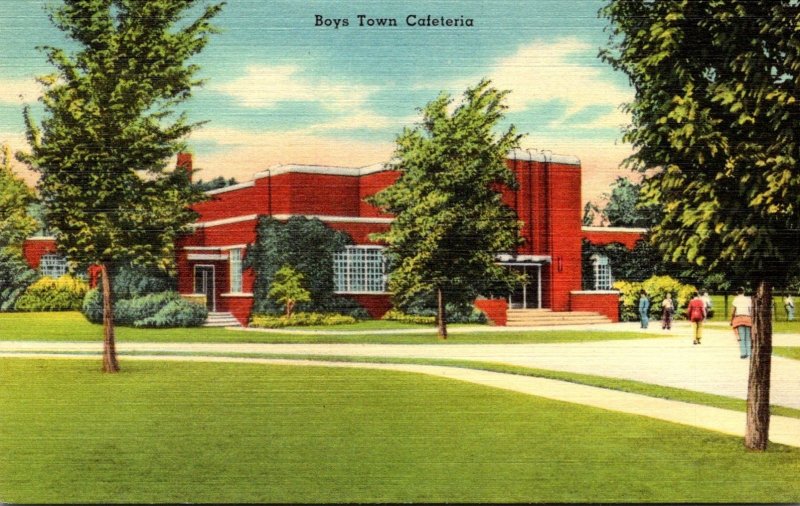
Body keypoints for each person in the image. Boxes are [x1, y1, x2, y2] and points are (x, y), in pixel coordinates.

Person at [730, 287, 753, 359]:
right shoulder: (748, 299)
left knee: (741, 337)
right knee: (748, 337)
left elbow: (733, 311)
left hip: (739, 319)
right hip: (748, 318)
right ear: (744, 292)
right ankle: (749, 353)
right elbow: (751, 310)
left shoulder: (736, 300)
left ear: (737, 292)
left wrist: (731, 320)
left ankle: (743, 353)